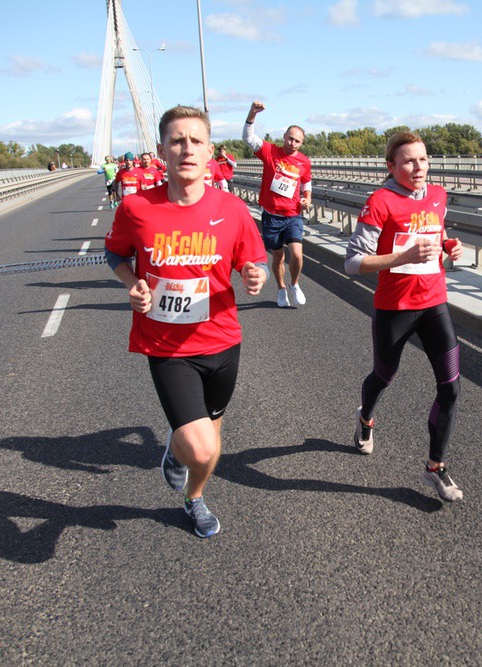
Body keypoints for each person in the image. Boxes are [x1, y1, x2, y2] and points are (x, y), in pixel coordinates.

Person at [104, 105, 269, 538]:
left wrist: (255, 274)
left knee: (207, 440)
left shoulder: (231, 208)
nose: (187, 149)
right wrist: (131, 283)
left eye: (196, 141)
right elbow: (115, 253)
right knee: (201, 444)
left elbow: (253, 260)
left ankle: (194, 496)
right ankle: (181, 450)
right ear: (162, 151)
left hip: (223, 340)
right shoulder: (136, 208)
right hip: (167, 345)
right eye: (177, 141)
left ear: (210, 150)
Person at [344, 131, 465, 502]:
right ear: (391, 165)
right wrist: (402, 257)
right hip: (394, 309)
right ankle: (365, 418)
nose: (418, 167)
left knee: (451, 387)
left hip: (434, 303)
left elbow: (437, 232)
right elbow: (352, 262)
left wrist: (449, 245)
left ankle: (435, 467)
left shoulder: (438, 195)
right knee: (383, 376)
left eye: (423, 159)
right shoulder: (380, 202)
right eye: (409, 161)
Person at [243, 100, 312, 308]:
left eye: (297, 141)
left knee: (297, 255)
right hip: (272, 216)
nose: (293, 143)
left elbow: (306, 181)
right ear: (284, 137)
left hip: (293, 215)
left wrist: (307, 197)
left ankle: (294, 284)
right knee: (278, 257)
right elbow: (248, 138)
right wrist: (252, 114)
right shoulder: (270, 152)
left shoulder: (304, 161)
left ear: (301, 143)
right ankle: (281, 288)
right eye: (290, 138)